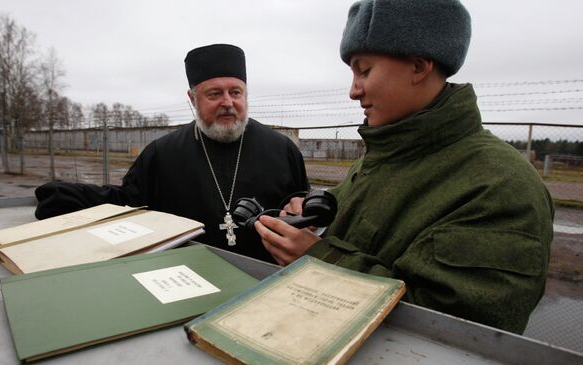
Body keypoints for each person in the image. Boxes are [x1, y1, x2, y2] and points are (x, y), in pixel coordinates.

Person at [255, 0, 554, 334]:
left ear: (418, 67)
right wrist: (312, 222)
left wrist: (317, 262)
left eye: (364, 70)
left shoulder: (501, 185)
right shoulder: (384, 155)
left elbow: (455, 332)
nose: (354, 90)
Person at [35, 44, 310, 263]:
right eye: (214, 94)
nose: (228, 102)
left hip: (265, 278)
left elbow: (302, 210)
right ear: (192, 99)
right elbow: (128, 203)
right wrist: (66, 197)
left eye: (236, 92)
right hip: (185, 277)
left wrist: (302, 210)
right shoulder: (162, 153)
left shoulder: (281, 149)